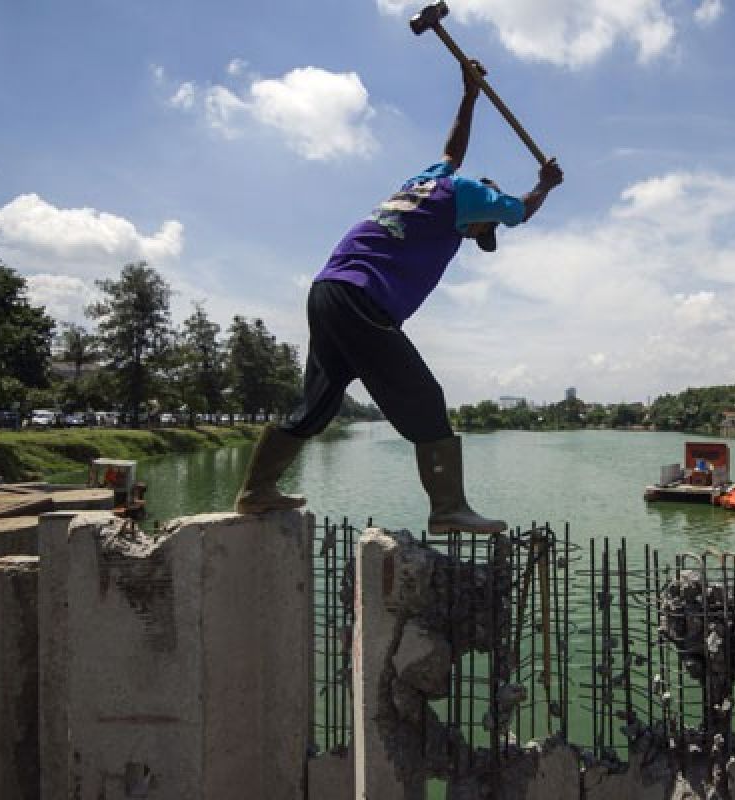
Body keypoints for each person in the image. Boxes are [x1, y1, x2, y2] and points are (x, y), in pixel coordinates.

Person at [234, 61, 563, 534]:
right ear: (483, 209)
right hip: (362, 299)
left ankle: (255, 490)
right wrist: (544, 186)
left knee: (318, 405)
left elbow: (451, 150)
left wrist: (469, 94)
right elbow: (520, 212)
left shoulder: (428, 180)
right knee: (425, 397)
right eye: (481, 230)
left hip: (328, 289)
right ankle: (448, 507)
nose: (474, 235)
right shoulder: (473, 195)